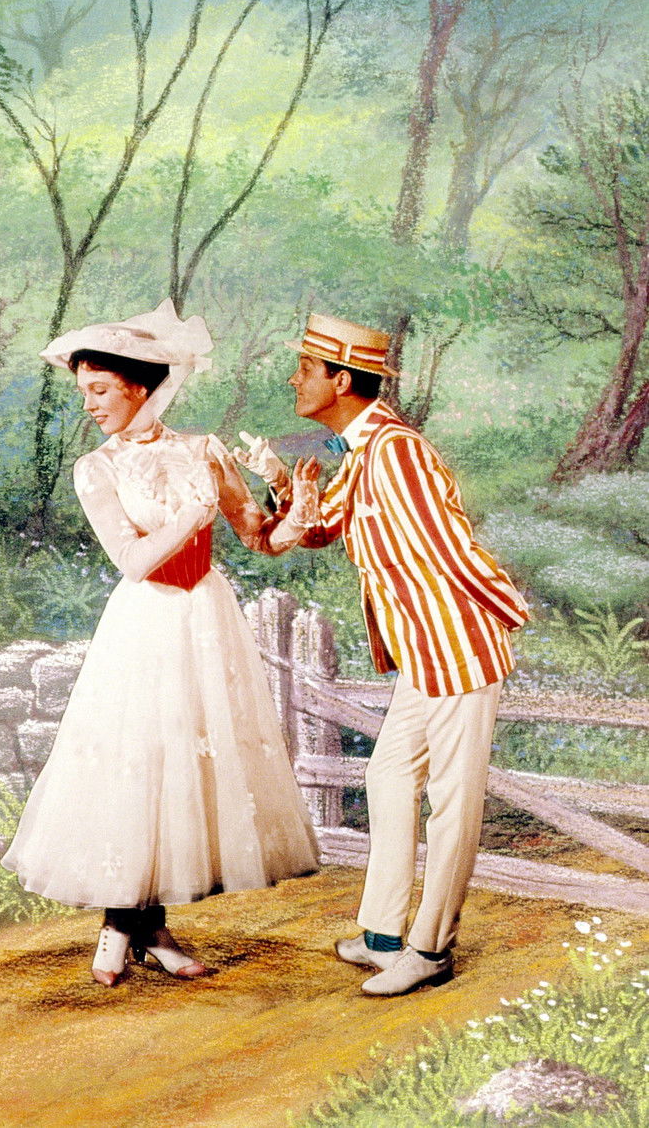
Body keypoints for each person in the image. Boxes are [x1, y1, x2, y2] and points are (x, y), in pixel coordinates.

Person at [2, 299, 320, 986]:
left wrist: (289, 494)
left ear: (140, 386)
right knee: (139, 764)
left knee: (183, 769)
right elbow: (134, 561)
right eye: (84, 392)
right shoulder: (97, 468)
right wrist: (190, 514)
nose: (89, 405)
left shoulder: (204, 451)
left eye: (100, 390)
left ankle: (145, 928)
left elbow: (261, 540)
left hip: (205, 619)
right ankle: (125, 925)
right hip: (146, 621)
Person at [234, 311, 529, 997]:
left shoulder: (395, 450)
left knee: (452, 802)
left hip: (457, 645)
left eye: (306, 369)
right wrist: (280, 478)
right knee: (389, 776)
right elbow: (319, 528)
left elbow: (450, 547)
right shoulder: (365, 450)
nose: (294, 379)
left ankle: (430, 949)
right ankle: (384, 936)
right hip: (424, 653)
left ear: (341, 380)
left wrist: (506, 612)